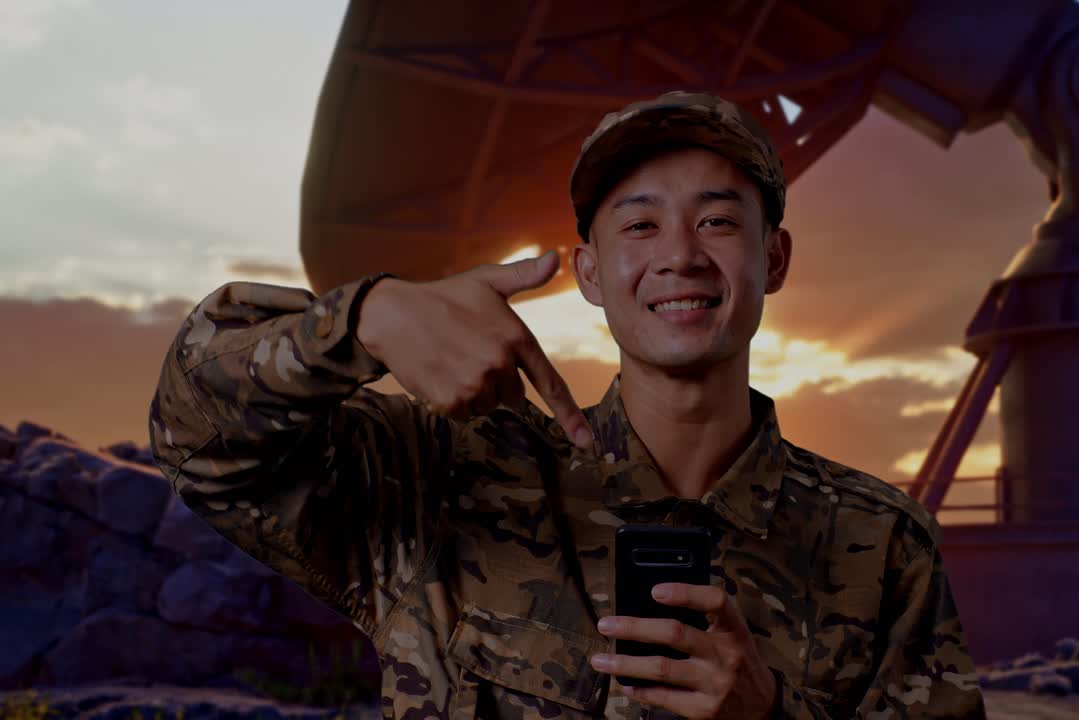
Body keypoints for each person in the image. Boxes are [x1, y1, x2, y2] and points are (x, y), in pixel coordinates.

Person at [149, 90, 986, 720]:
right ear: (588, 275)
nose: (682, 257)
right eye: (640, 226)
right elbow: (198, 440)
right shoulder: (440, 479)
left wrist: (770, 717)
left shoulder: (881, 545)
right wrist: (361, 318)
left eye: (719, 221)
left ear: (775, 257)